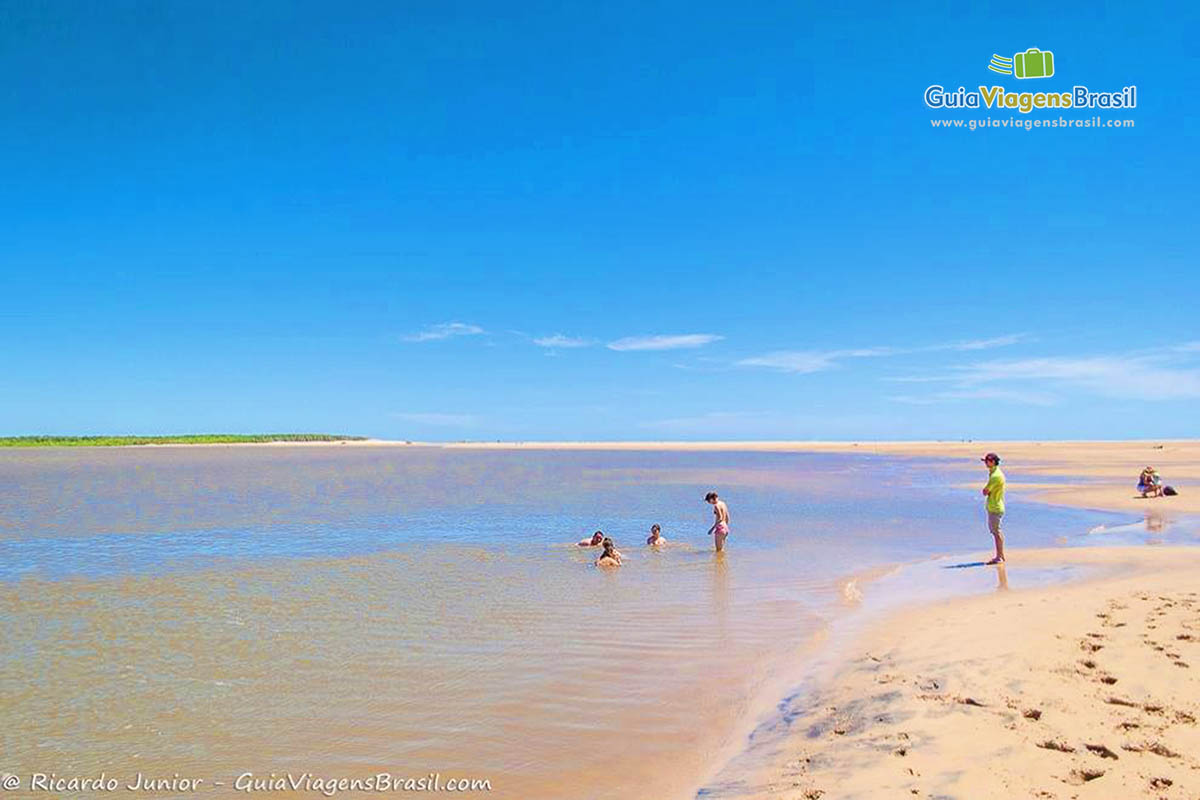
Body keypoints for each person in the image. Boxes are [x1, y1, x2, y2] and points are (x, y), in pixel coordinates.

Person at [980, 453, 1006, 564]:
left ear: (993, 462)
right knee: (995, 532)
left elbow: (985, 491)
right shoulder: (993, 473)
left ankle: (999, 556)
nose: (985, 463)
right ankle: (1000, 555)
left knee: (996, 532)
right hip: (993, 506)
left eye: (987, 461)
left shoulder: (996, 476)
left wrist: (986, 491)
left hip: (995, 507)